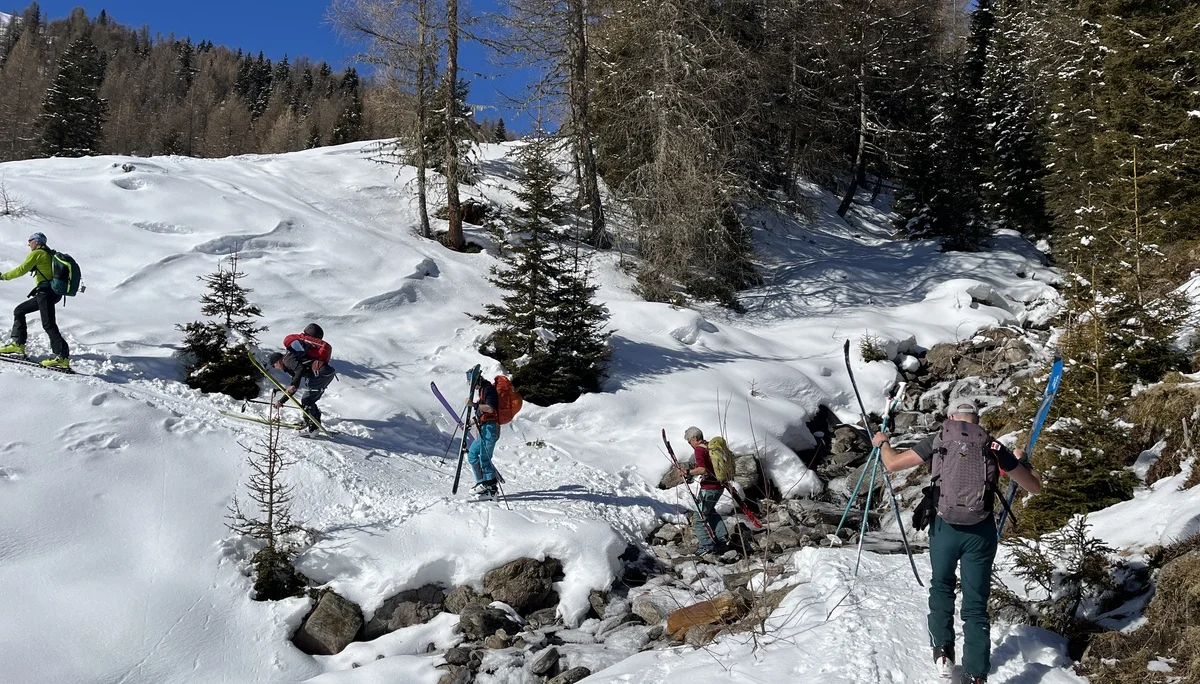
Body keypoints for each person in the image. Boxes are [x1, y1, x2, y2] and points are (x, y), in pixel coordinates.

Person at [872, 402, 1042, 684]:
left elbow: (892, 464)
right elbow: (1034, 486)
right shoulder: (992, 444)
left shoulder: (938, 438)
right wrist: (1022, 462)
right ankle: (975, 674)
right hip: (980, 532)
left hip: (944, 528)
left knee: (942, 586)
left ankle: (943, 654)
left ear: (950, 417)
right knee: (975, 603)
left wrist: (883, 443)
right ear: (978, 420)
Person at [0, 232, 71, 369]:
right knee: (19, 311)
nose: (28, 244)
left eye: (30, 240)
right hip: (49, 293)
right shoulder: (49, 253)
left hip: (46, 293)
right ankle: (18, 344)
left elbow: (21, 269)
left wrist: (3, 277)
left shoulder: (38, 253)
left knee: (48, 324)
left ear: (37, 242)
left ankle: (61, 357)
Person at [268, 335, 336, 436]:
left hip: (321, 374)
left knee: (307, 400)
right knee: (309, 399)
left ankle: (312, 428)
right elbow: (294, 387)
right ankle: (312, 423)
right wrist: (281, 401)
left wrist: (293, 385)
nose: (276, 368)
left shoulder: (287, 360)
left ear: (278, 361)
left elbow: (299, 370)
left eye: (274, 366)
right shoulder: (290, 361)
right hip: (325, 373)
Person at [682, 426, 728, 557]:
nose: (690, 444)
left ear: (694, 438)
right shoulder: (709, 446)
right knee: (710, 511)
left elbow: (702, 469)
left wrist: (687, 472)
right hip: (719, 486)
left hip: (709, 488)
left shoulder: (699, 450)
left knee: (699, 518)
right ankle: (722, 537)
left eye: (689, 441)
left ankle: (706, 546)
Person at [467, 375, 501, 498]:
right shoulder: (482, 392)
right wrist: (469, 423)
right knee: (472, 454)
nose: (471, 386)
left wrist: (474, 405)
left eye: (471, 382)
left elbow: (490, 409)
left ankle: (492, 490)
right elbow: (481, 414)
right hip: (483, 428)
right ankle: (482, 483)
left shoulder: (488, 389)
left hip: (491, 428)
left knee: (485, 458)